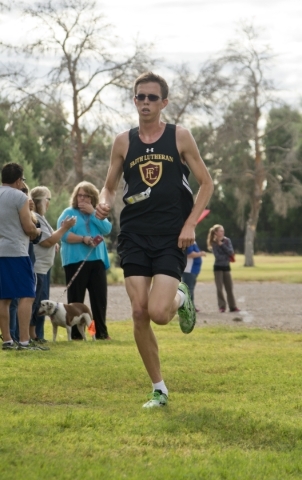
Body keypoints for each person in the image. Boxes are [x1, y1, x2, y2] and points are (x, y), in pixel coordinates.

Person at [95, 71, 214, 408]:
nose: (145, 102)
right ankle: (159, 388)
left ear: (164, 102)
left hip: (170, 235)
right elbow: (109, 184)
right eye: (139, 97)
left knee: (159, 313)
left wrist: (191, 223)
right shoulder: (123, 141)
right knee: (138, 311)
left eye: (151, 97)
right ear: (134, 100)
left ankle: (180, 296)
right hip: (133, 233)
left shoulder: (180, 137)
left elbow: (207, 183)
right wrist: (105, 201)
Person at [57, 181, 112, 340]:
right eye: (80, 195)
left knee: (99, 299)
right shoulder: (68, 212)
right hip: (75, 262)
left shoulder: (97, 213)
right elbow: (64, 235)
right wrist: (84, 239)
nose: (82, 199)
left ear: (93, 198)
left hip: (97, 261)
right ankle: (76, 334)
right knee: (75, 301)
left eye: (87, 196)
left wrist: (94, 212)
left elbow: (107, 229)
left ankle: (100, 333)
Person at [0, 162, 43, 351]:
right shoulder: (19, 196)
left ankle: (7, 340)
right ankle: (25, 341)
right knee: (27, 294)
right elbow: (28, 227)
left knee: (4, 298)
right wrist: (37, 232)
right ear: (18, 180)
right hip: (16, 251)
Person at [29, 186, 76, 342]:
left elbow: (50, 239)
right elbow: (47, 241)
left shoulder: (41, 217)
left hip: (43, 267)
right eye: (47, 200)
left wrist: (55, 241)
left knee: (40, 302)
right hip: (38, 268)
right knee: (36, 303)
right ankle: (32, 335)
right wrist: (65, 228)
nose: (49, 203)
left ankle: (38, 334)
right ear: (42, 201)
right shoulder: (35, 217)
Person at [9, 182, 41, 342]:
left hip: (27, 254)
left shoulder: (30, 212)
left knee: (23, 297)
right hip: (17, 253)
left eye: (25, 191)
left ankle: (15, 337)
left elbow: (36, 236)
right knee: (17, 298)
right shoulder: (12, 205)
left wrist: (29, 212)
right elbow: (30, 231)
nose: (23, 194)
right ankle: (16, 337)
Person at [207, 224, 240, 313]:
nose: (222, 232)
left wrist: (222, 245)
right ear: (216, 232)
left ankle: (233, 306)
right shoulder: (214, 243)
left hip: (226, 267)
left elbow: (231, 252)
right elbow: (217, 256)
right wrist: (226, 256)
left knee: (229, 288)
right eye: (221, 231)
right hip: (218, 268)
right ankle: (222, 306)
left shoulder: (227, 241)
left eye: (223, 230)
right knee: (219, 288)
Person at [182, 242, 206, 312]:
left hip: (193, 270)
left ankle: (190, 306)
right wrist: (201, 254)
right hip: (189, 270)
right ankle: (189, 307)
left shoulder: (193, 241)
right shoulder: (189, 241)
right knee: (189, 289)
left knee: (190, 288)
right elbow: (190, 254)